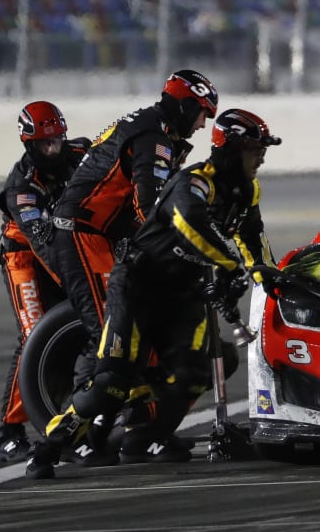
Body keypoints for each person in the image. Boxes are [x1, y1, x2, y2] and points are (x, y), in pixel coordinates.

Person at [26, 109, 281, 479]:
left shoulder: (247, 190)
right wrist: (228, 266)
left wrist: (266, 276)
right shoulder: (194, 183)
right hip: (139, 284)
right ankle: (50, 446)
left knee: (194, 372)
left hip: (183, 292)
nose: (261, 159)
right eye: (254, 150)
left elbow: (253, 237)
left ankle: (145, 439)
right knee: (112, 380)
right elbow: (189, 224)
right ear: (230, 149)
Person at [48, 70, 217, 365]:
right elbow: (149, 206)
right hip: (83, 233)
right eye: (203, 114)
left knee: (141, 317)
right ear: (186, 106)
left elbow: (167, 202)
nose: (203, 124)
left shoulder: (156, 130)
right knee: (113, 333)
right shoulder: (153, 138)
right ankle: (90, 393)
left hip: (103, 234)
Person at [0, 101, 89, 462]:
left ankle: (64, 418)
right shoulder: (22, 186)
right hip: (25, 257)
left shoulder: (82, 152)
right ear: (29, 144)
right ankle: (9, 432)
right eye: (46, 144)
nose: (54, 148)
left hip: (65, 246)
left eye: (57, 140)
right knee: (35, 335)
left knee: (74, 332)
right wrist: (77, 280)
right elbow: (41, 241)